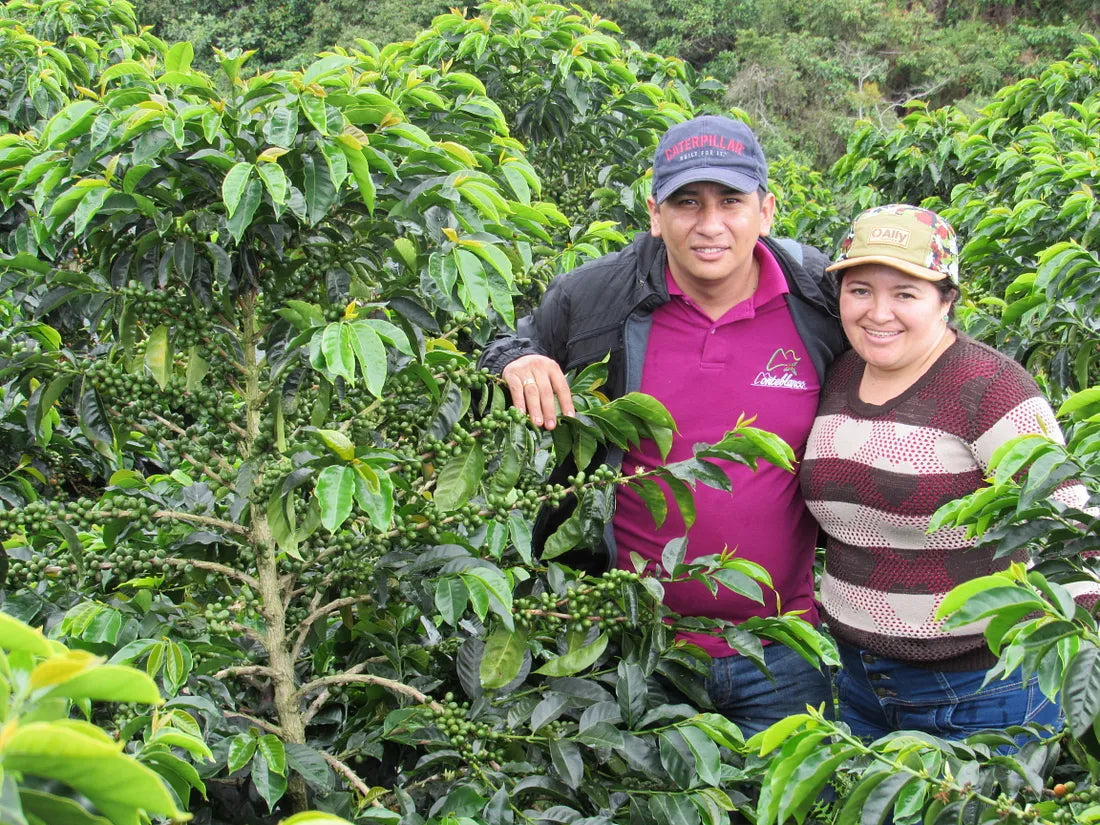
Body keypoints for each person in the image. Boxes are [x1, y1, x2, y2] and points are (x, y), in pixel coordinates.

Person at [480, 114, 847, 735]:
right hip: (632, 645)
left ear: (767, 210)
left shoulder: (820, 297)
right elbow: (504, 350)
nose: (710, 225)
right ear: (655, 214)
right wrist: (518, 360)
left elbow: (916, 356)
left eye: (731, 201)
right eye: (687, 203)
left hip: (785, 650)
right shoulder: (595, 297)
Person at [799, 203, 1090, 740]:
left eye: (905, 293)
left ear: (947, 299)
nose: (877, 313)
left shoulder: (990, 388)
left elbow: (1071, 536)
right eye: (859, 289)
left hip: (984, 688)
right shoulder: (838, 374)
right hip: (856, 679)